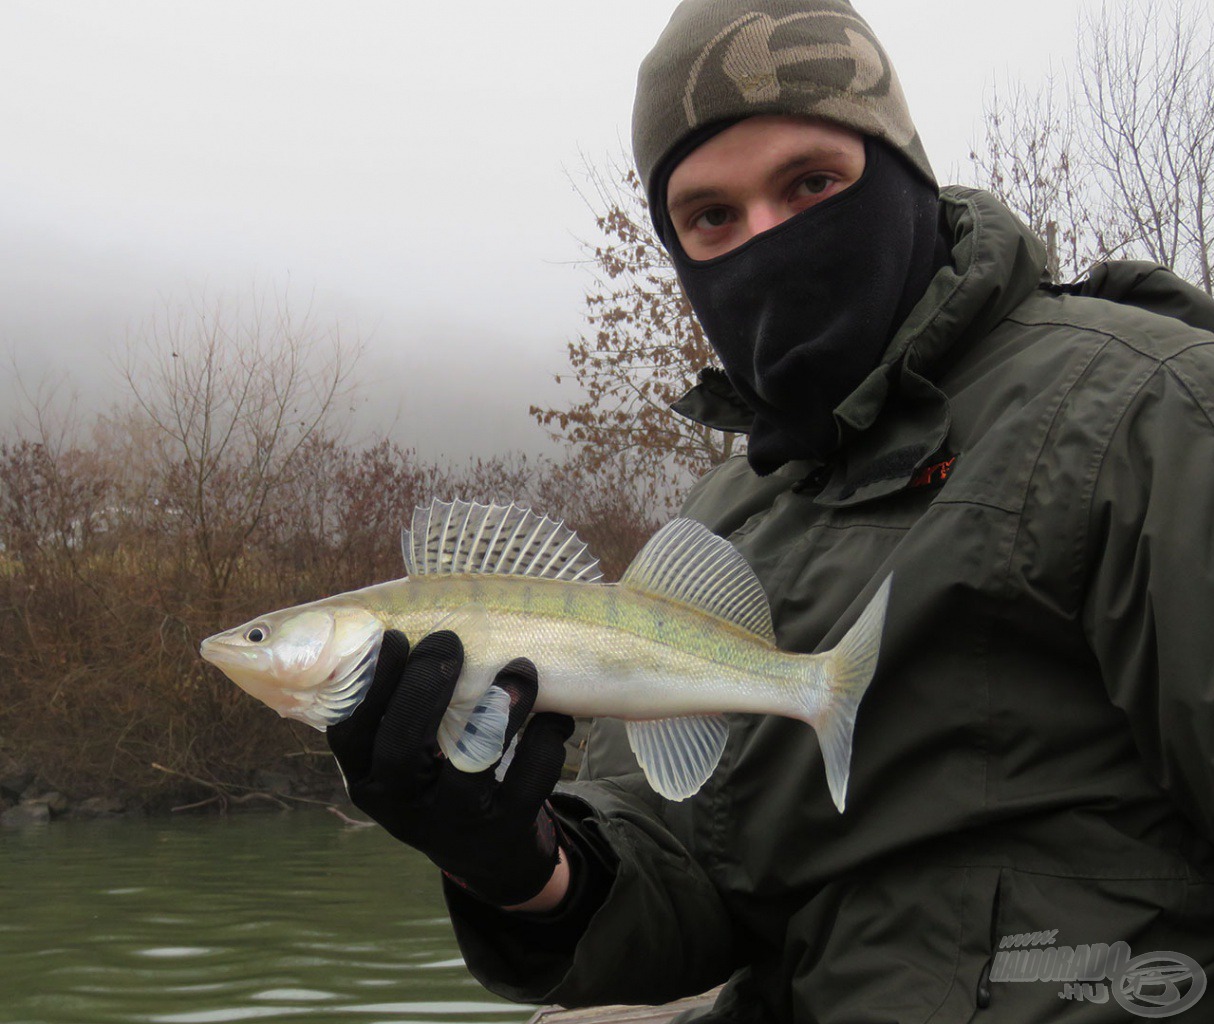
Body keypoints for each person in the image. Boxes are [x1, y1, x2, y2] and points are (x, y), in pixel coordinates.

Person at [326, 0, 1214, 1020]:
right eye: (710, 217)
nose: (766, 245)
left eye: (809, 185)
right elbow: (688, 884)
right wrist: (520, 866)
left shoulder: (1149, 412)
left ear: (902, 177)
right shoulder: (725, 511)